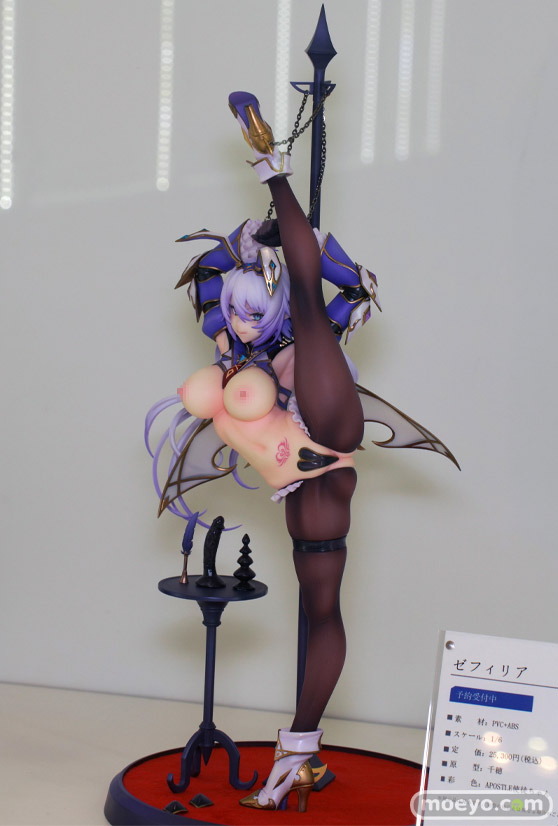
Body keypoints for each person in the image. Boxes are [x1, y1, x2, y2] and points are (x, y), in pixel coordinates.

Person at [145, 91, 457, 812]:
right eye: (233, 310)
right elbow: (238, 417)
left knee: (313, 304)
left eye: (254, 309)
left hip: (331, 431)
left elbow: (305, 292)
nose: (240, 320)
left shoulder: (290, 331)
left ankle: (270, 163)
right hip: (307, 489)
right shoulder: (238, 367)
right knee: (321, 611)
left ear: (272, 305)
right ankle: (302, 749)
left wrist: (273, 187)